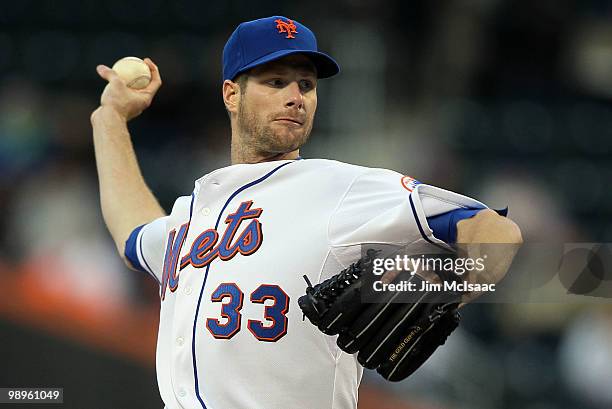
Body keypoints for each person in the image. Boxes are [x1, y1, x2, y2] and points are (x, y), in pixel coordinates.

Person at [90, 15, 522, 409]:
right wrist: (109, 118)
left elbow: (496, 232)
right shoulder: (194, 216)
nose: (296, 97)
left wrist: (445, 284)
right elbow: (134, 233)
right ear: (231, 94)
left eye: (306, 85)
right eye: (276, 82)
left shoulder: (340, 188)